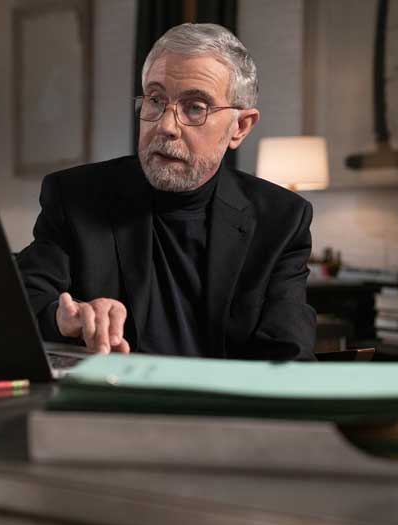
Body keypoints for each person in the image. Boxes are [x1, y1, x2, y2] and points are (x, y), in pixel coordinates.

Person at [17, 23, 316, 361]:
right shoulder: (77, 197)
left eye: (195, 107)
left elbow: (289, 354)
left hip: (223, 409)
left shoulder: (281, 219)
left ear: (240, 127)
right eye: (156, 100)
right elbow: (20, 303)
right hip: (115, 406)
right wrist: (62, 317)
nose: (165, 125)